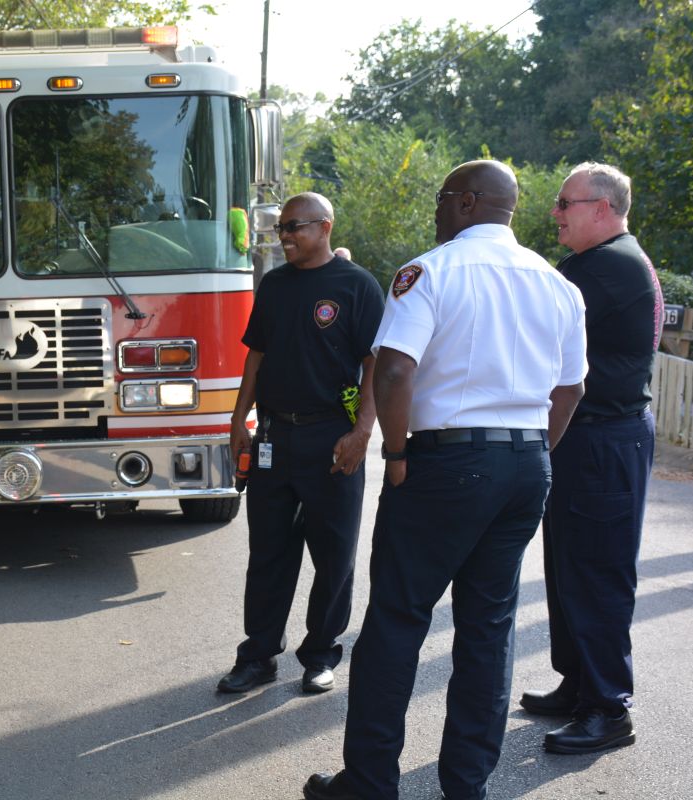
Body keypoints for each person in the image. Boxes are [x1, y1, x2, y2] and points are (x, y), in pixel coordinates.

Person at [303, 160, 588, 800]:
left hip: (444, 462)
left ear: (465, 202)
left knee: (397, 619)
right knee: (488, 629)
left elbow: (394, 370)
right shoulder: (557, 283)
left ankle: (369, 782)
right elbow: (570, 388)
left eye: (440, 198)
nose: (436, 210)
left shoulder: (430, 271)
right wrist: (534, 452)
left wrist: (396, 453)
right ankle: (466, 785)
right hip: (525, 463)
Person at [518, 162, 663, 755]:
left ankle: (608, 708)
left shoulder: (606, 267)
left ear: (602, 208)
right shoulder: (604, 261)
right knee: (571, 566)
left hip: (605, 437)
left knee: (598, 573)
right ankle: (579, 683)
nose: (555, 212)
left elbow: (530, 331)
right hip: (594, 436)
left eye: (565, 203)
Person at [218, 192, 384, 695]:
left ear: (325, 226)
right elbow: (257, 354)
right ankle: (259, 655)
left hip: (332, 436)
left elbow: (375, 364)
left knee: (333, 554)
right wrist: (239, 418)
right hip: (274, 435)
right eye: (282, 228)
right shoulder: (274, 285)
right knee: (268, 552)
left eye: (295, 227)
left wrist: (362, 432)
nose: (285, 236)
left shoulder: (358, 285)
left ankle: (321, 654)